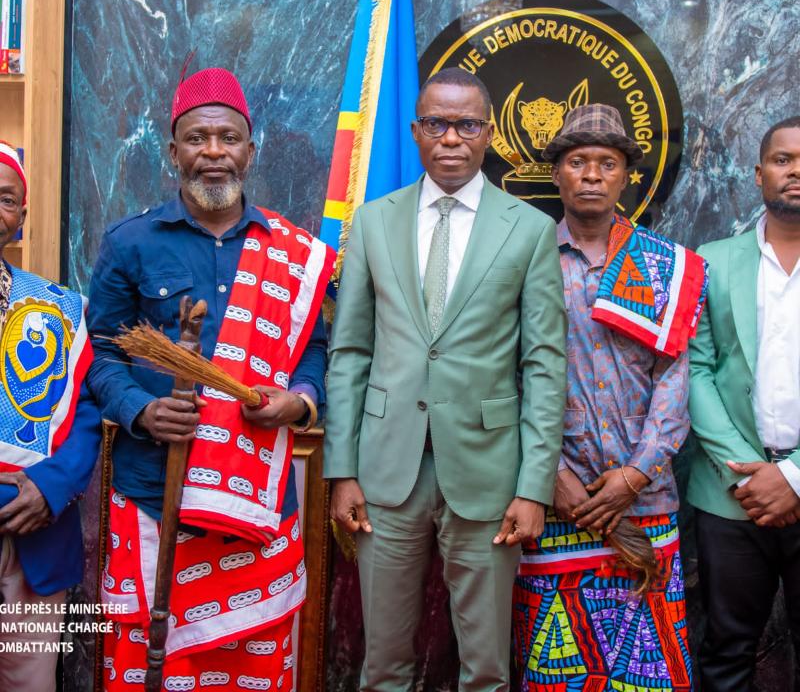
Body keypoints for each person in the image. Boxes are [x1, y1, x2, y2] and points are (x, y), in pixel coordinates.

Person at [87, 66, 334, 691]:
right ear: (173, 151)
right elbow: (100, 353)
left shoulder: (294, 251)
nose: (214, 153)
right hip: (154, 496)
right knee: (155, 667)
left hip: (257, 504)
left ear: (251, 150)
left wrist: (299, 402)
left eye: (228, 138)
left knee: (251, 667)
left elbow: (316, 352)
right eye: (198, 139)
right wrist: (141, 410)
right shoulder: (129, 243)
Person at [324, 67, 567, 692]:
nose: (451, 138)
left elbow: (543, 364)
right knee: (382, 666)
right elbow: (350, 351)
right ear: (415, 131)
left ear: (488, 134)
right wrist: (341, 470)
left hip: (488, 474)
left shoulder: (530, 229)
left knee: (485, 668)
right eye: (437, 124)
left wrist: (534, 486)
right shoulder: (374, 221)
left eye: (466, 124)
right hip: (385, 472)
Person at [513, 104, 705, 691]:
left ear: (627, 177)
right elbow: (503, 378)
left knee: (648, 672)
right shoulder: (523, 262)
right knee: (556, 670)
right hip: (553, 506)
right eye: (577, 162)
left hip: (642, 504)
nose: (592, 174)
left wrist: (634, 476)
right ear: (557, 174)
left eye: (607, 163)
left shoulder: (664, 266)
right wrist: (551, 480)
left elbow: (674, 382)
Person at [688, 115, 800, 691]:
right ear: (759, 175)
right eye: (783, 160)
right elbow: (696, 370)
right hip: (733, 495)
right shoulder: (713, 258)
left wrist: (794, 476)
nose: (796, 170)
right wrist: (746, 475)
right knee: (725, 651)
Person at [0, 141, 100, 691]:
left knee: (29, 681)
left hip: (35, 526)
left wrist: (51, 487)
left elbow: (85, 414)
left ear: (21, 216)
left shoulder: (57, 308)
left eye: (6, 198)